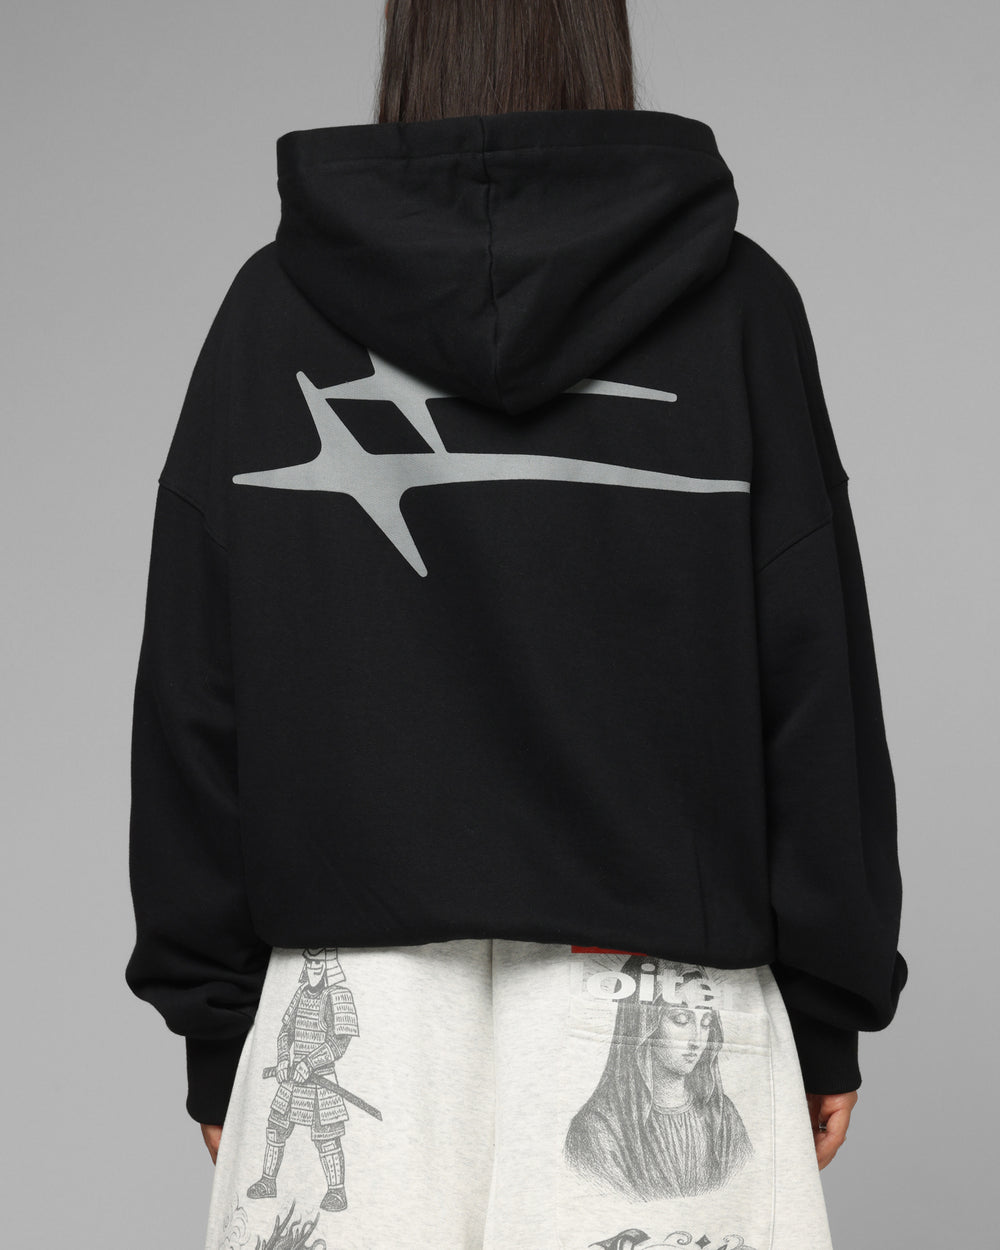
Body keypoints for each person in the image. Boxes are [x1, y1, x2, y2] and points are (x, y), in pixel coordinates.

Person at [123, 3, 908, 1248]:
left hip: (351, 991)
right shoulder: (738, 308)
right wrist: (827, 1003)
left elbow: (192, 693)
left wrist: (215, 1021)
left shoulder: (271, 315)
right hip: (665, 997)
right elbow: (812, 678)